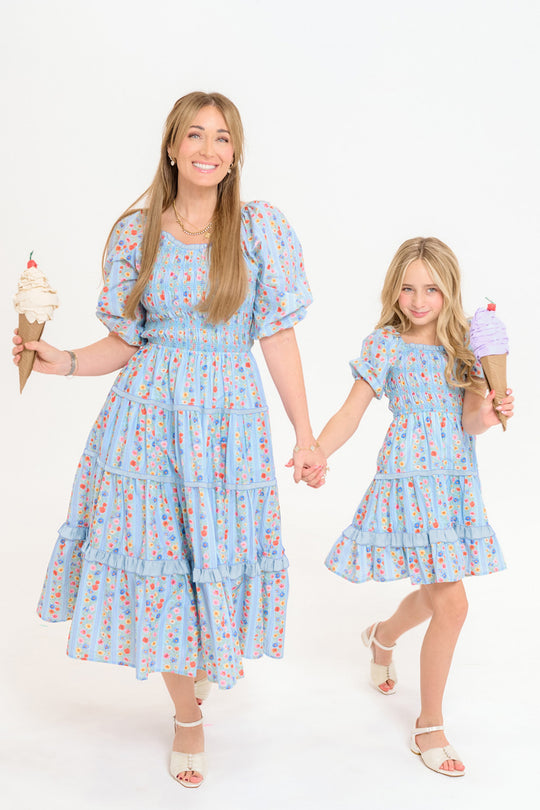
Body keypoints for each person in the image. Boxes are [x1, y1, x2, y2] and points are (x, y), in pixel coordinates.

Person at [12, 91, 325, 788]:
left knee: (211, 556)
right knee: (159, 558)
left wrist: (306, 435)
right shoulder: (137, 233)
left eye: (222, 138)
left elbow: (276, 334)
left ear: (235, 153)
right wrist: (56, 360)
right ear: (173, 147)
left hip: (228, 426)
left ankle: (197, 669)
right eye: (195, 135)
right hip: (147, 422)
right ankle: (188, 713)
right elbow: (126, 342)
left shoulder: (258, 229)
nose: (209, 149)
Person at [298, 237, 514, 777]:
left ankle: (382, 636)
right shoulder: (385, 344)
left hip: (453, 483)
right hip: (407, 483)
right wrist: (317, 451)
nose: (419, 300)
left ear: (450, 291)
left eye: (432, 289)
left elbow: (469, 420)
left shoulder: (465, 348)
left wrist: (491, 411)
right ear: (394, 289)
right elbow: (351, 412)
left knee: (438, 594)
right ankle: (430, 725)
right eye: (409, 287)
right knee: (453, 602)